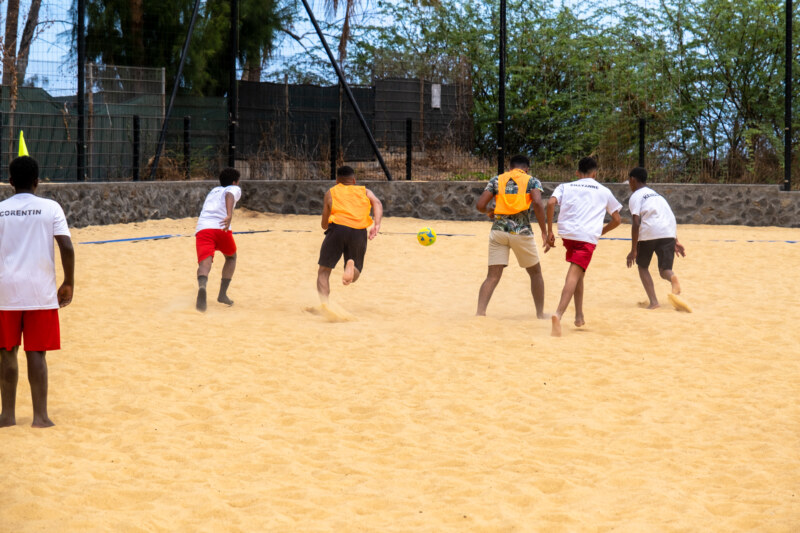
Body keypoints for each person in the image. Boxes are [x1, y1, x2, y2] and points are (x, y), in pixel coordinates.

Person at [0, 156, 74, 428]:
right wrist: (69, 282)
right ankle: (40, 417)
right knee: (37, 353)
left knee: (7, 351)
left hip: (5, 291)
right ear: (37, 182)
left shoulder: (0, 209)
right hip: (40, 291)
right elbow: (66, 246)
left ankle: (7, 416)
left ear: (10, 183)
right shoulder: (50, 208)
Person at [546, 156, 622, 337]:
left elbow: (550, 203)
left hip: (567, 235)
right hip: (586, 238)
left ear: (577, 173)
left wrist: (549, 231)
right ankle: (558, 314)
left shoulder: (565, 186)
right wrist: (600, 232)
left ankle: (579, 316)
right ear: (595, 173)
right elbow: (617, 220)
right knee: (573, 274)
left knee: (579, 272)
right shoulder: (604, 190)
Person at [475, 154, 548, 317]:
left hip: (498, 231)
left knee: (492, 276)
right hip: (521, 232)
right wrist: (544, 231)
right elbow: (537, 202)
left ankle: (480, 313)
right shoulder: (532, 180)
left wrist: (489, 211)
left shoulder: (496, 180)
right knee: (535, 273)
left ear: (509, 168)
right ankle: (540, 314)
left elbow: (480, 205)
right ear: (526, 169)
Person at [316, 166, 382, 303]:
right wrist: (377, 224)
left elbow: (324, 224)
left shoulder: (331, 192)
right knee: (356, 271)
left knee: (324, 271)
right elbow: (377, 202)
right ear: (354, 180)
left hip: (337, 229)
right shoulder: (364, 191)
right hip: (358, 231)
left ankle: (325, 305)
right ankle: (350, 265)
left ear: (337, 181)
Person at [626, 167, 686, 308]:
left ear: (633, 180)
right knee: (664, 270)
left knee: (642, 266)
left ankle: (654, 302)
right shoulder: (658, 196)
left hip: (649, 232)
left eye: (629, 181)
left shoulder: (636, 196)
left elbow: (636, 223)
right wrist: (675, 240)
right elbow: (668, 216)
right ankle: (672, 278)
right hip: (668, 232)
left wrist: (633, 249)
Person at [195, 167, 241, 312]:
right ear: (235, 182)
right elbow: (229, 195)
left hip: (203, 228)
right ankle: (222, 294)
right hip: (221, 228)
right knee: (231, 257)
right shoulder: (233, 189)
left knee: (205, 262)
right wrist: (229, 215)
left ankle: (202, 286)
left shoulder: (213, 191)